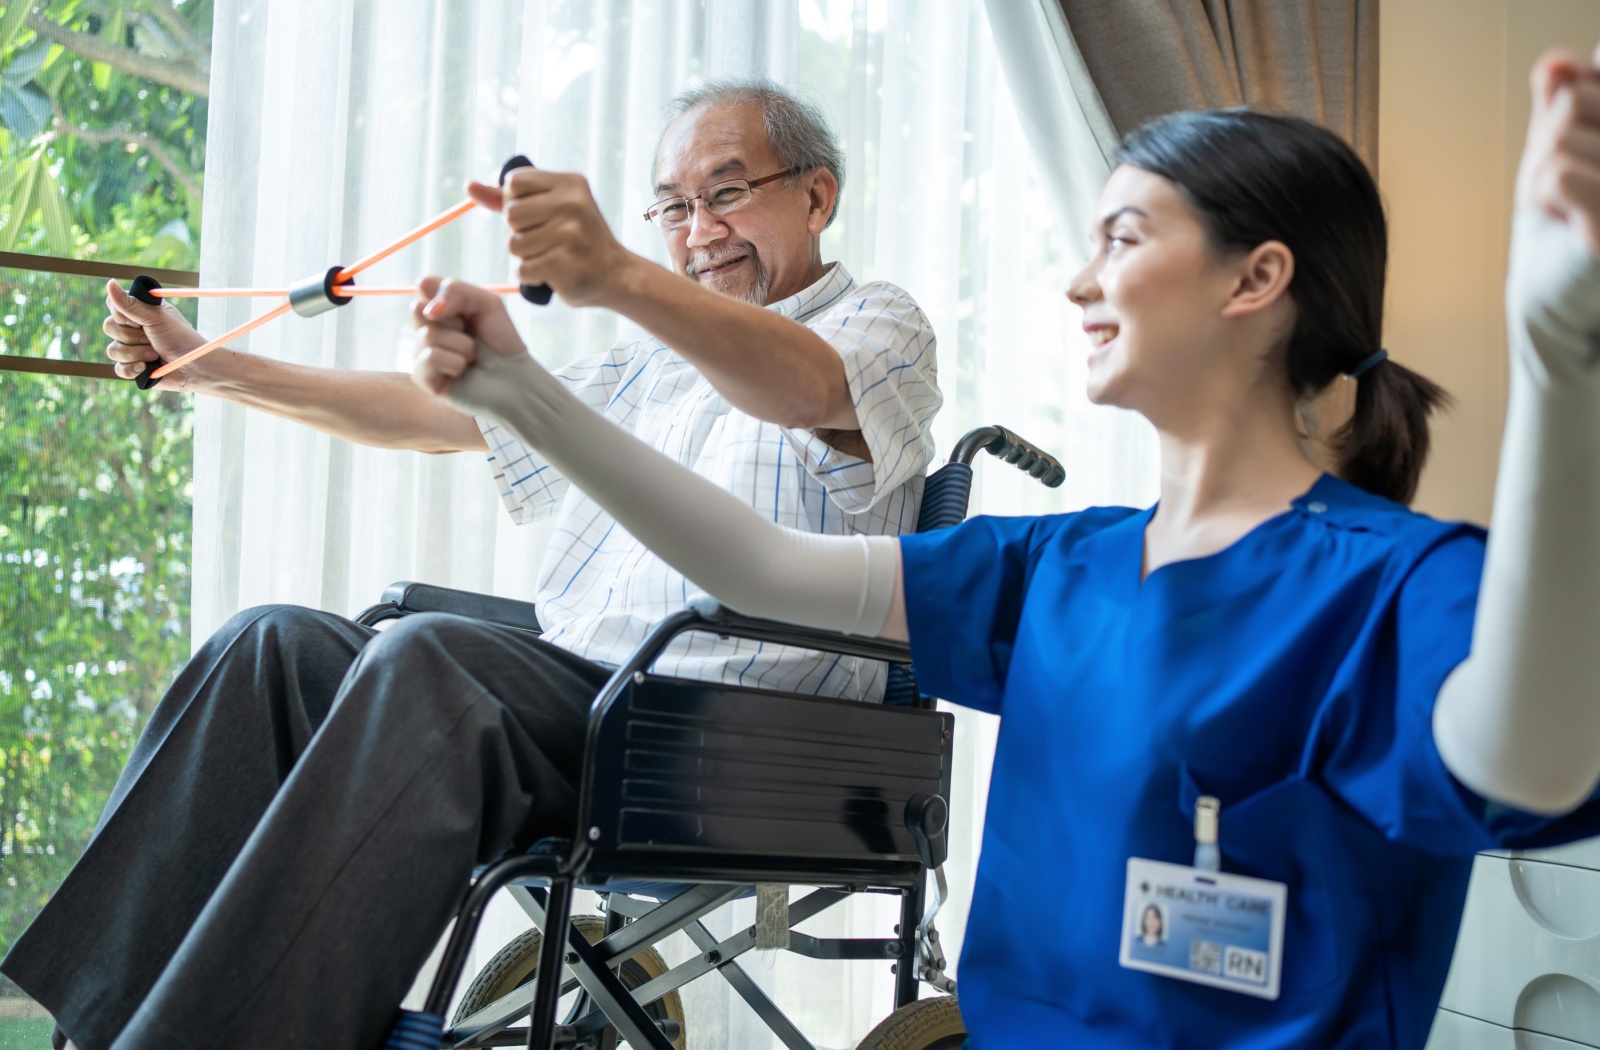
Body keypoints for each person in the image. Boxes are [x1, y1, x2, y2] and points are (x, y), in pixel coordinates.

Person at [408, 45, 1600, 1050]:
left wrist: (1560, 366)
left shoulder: (1390, 583)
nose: (1080, 283)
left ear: (1258, 278)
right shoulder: (1056, 568)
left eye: (1124, 238)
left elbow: (1530, 769)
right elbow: (764, 574)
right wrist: (523, 400)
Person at [2, 78, 940, 1050]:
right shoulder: (643, 366)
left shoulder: (877, 327)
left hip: (741, 736)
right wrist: (210, 364)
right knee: (270, 647)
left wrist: (616, 271)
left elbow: (803, 387)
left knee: (430, 659)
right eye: (671, 206)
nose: (698, 229)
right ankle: (95, 1032)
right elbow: (434, 417)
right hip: (587, 701)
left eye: (727, 192)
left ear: (816, 196)